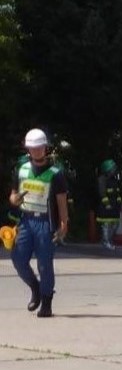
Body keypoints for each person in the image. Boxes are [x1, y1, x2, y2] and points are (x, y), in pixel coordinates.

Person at [8, 129, 69, 317]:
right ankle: (35, 287)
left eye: (39, 147)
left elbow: (61, 201)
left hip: (45, 222)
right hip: (26, 221)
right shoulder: (22, 170)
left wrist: (64, 223)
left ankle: (46, 303)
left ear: (45, 148)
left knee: (45, 264)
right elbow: (12, 195)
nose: (35, 151)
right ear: (28, 149)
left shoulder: (55, 174)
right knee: (18, 259)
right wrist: (15, 199)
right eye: (32, 148)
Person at [96, 159, 122, 250]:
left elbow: (117, 193)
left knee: (115, 224)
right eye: (112, 169)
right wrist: (107, 204)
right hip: (105, 207)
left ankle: (108, 240)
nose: (114, 170)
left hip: (114, 206)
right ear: (107, 169)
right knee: (106, 225)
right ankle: (105, 241)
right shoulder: (102, 179)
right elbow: (102, 193)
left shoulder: (115, 180)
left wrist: (120, 204)